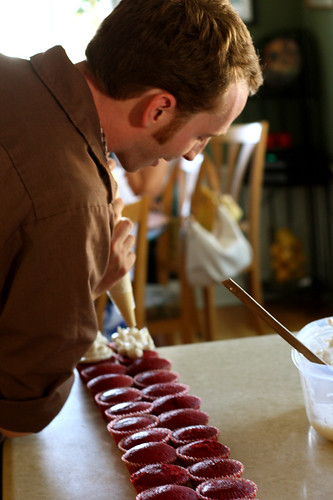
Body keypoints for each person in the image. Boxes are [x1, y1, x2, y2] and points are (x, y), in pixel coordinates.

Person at [0, 0, 263, 438]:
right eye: (201, 135)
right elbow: (18, 413)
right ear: (158, 109)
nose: (194, 153)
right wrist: (90, 280)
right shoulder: (75, 201)